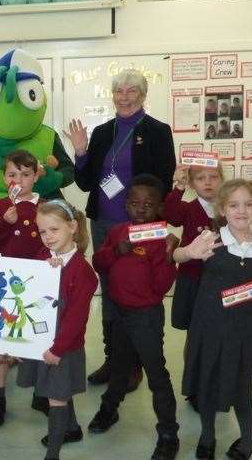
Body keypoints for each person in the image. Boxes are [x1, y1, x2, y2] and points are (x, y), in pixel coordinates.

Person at [65, 68, 176, 387]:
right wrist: (81, 151)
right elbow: (86, 183)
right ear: (113, 95)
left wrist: (147, 218)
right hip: (105, 225)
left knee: (138, 294)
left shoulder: (157, 131)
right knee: (110, 291)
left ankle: (135, 365)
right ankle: (114, 361)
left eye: (132, 91)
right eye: (119, 91)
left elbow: (163, 183)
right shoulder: (101, 132)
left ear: (143, 96)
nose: (125, 96)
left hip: (139, 227)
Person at [174, 179, 252, 460]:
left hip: (243, 329)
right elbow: (176, 255)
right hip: (209, 325)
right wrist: (188, 252)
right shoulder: (211, 238)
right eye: (234, 205)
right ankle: (207, 437)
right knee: (207, 378)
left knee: (243, 382)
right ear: (222, 208)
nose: (241, 210)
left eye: (248, 204)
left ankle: (247, 439)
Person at [88, 174, 179, 460]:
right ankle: (109, 409)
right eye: (135, 203)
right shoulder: (117, 232)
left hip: (147, 317)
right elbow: (98, 262)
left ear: (159, 209)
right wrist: (116, 251)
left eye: (148, 205)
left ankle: (168, 432)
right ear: (126, 205)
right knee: (118, 365)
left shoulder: (162, 239)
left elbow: (161, 286)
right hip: (118, 311)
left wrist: (168, 255)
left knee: (156, 373)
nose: (141, 209)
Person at [16, 199, 98, 460]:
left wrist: (58, 348)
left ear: (72, 227)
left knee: (56, 398)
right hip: (42, 341)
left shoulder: (83, 272)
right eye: (42, 231)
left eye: (54, 230)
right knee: (57, 391)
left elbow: (76, 318)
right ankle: (71, 429)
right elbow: (29, 297)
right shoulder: (42, 257)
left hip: (62, 346)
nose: (47, 237)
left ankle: (53, 453)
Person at [0, 150, 48, 427]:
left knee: (38, 337)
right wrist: (4, 223)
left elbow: (53, 240)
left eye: (25, 175)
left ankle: (41, 392)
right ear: (4, 177)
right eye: (12, 175)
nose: (19, 181)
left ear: (36, 176)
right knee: (3, 342)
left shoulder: (45, 207)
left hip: (36, 283)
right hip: (5, 282)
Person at [162, 162, 224, 411]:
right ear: (193, 182)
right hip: (192, 279)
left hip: (219, 281)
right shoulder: (187, 208)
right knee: (194, 335)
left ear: (222, 179)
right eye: (200, 178)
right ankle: (193, 386)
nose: (207, 182)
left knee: (217, 334)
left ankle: (214, 383)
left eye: (213, 176)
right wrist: (178, 186)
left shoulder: (227, 208)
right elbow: (170, 214)